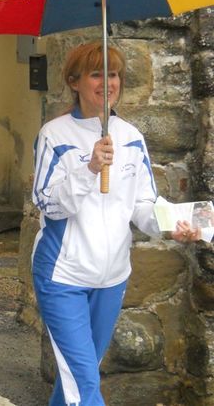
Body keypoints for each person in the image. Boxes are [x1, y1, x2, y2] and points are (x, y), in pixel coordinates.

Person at [31, 41, 192, 406]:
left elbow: (143, 206)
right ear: (74, 82)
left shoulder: (132, 137)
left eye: (114, 73)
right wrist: (89, 169)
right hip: (63, 276)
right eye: (96, 73)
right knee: (85, 386)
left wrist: (174, 225)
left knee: (75, 380)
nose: (108, 82)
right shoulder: (54, 136)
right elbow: (47, 203)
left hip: (112, 277)